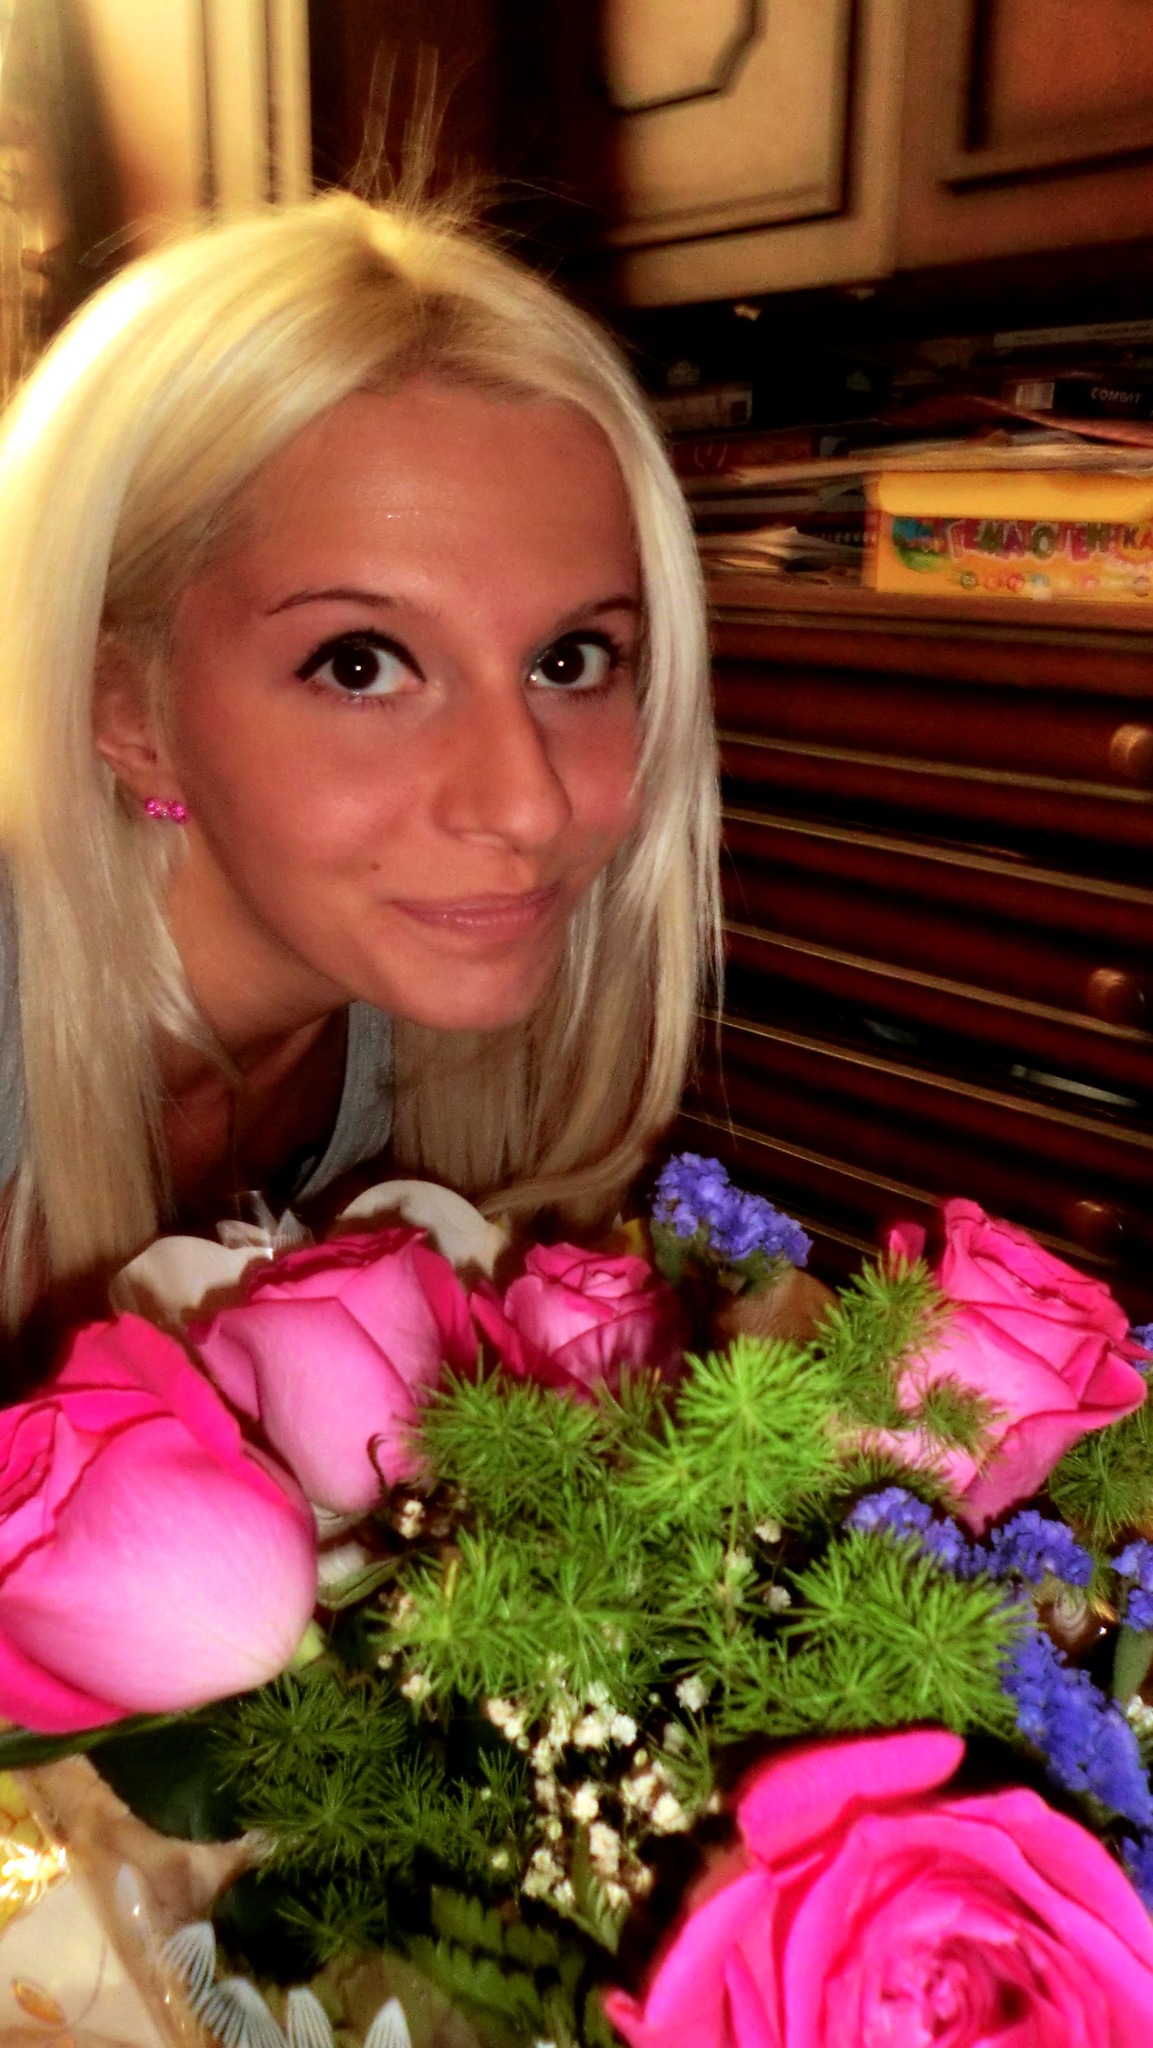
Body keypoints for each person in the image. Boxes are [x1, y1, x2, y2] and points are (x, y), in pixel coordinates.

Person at [0, 191, 718, 1334]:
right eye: (360, 664)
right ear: (126, 711)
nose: (527, 804)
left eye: (570, 659)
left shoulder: (411, 1017)